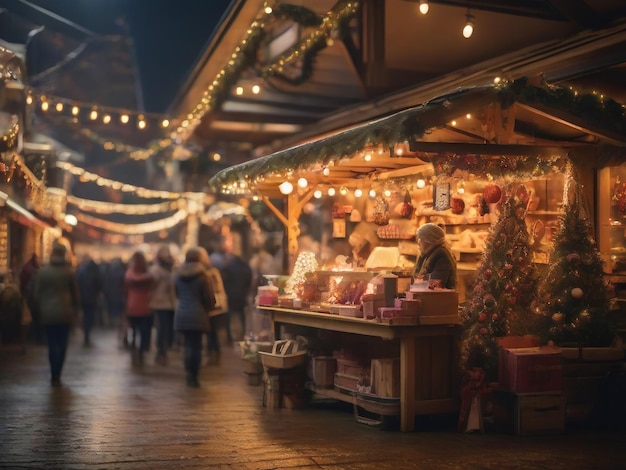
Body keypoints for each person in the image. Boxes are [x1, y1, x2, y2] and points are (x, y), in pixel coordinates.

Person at [33, 241, 79, 387]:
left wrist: (40, 307)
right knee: (63, 343)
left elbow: (36, 293)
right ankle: (58, 372)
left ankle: (53, 372)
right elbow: (75, 294)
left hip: (48, 313)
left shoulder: (43, 271)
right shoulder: (68, 272)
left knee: (52, 343)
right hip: (64, 313)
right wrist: (76, 309)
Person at [174, 247, 215, 387]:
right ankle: (194, 375)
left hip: (182, 314)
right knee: (196, 346)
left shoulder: (178, 275)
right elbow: (209, 299)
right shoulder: (204, 276)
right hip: (198, 315)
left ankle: (188, 371)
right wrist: (210, 309)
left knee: (187, 345)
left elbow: (177, 294)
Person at [124, 251, 155, 366]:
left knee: (133, 330)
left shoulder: (129, 275)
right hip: (145, 306)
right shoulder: (149, 276)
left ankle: (133, 349)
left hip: (132, 305)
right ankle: (141, 352)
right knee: (143, 332)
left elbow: (125, 289)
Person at [149, 245, 176, 365]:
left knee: (167, 328)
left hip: (170, 303)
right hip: (160, 303)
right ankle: (161, 351)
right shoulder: (156, 270)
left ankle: (164, 349)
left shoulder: (172, 269)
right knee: (162, 328)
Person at [220, 249, 252, 343]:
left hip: (230, 295)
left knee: (228, 316)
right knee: (242, 315)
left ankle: (229, 336)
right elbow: (249, 281)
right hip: (241, 295)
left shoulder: (228, 267)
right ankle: (243, 334)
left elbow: (224, 280)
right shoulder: (246, 267)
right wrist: (246, 291)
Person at [413, 223, 457, 289]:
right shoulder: (428, 253)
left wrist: (418, 281)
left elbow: (435, 284)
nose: (418, 242)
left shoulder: (441, 256)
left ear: (428, 240)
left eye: (420, 239)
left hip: (438, 298)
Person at [205, 254, 228, 365]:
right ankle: (214, 353)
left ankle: (213, 353)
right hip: (217, 307)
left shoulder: (210, 273)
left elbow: (217, 289)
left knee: (212, 332)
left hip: (213, 306)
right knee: (213, 332)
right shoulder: (214, 272)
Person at [75, 254, 103, 347]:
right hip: (92, 297)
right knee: (89, 316)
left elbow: (77, 283)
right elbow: (99, 284)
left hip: (83, 297)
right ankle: (87, 333)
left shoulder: (81, 271)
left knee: (86, 315)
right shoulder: (95, 271)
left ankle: (86, 333)